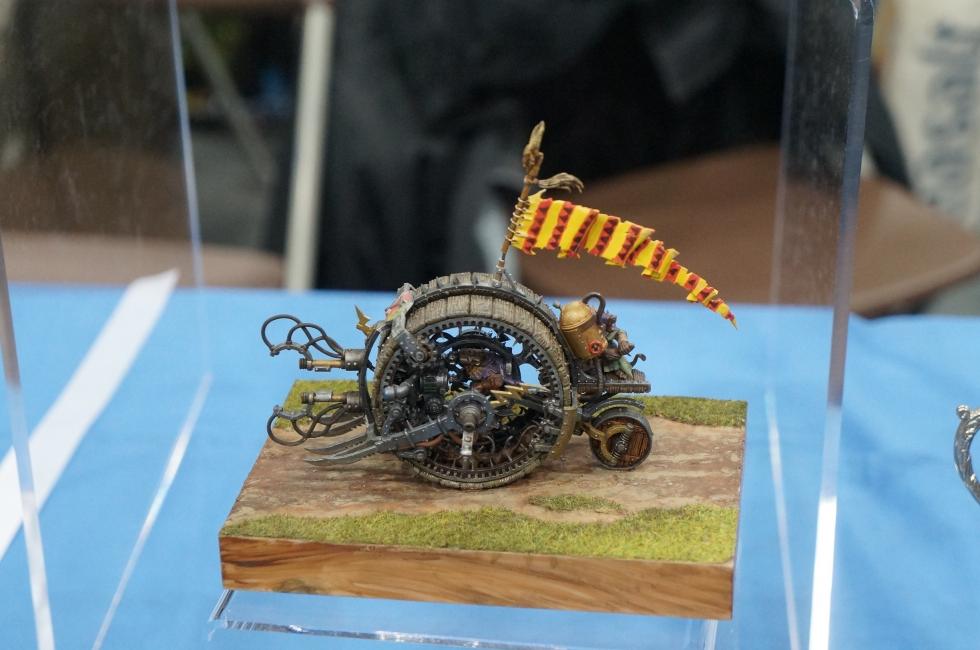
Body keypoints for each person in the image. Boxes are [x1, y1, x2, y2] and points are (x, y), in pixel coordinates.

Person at [599, 312, 635, 380]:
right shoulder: (593, 329)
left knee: (622, 362)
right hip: (594, 354)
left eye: (612, 324)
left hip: (611, 351)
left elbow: (620, 332)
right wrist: (603, 352)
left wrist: (623, 342)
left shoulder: (611, 329)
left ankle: (623, 373)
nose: (612, 327)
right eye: (609, 324)